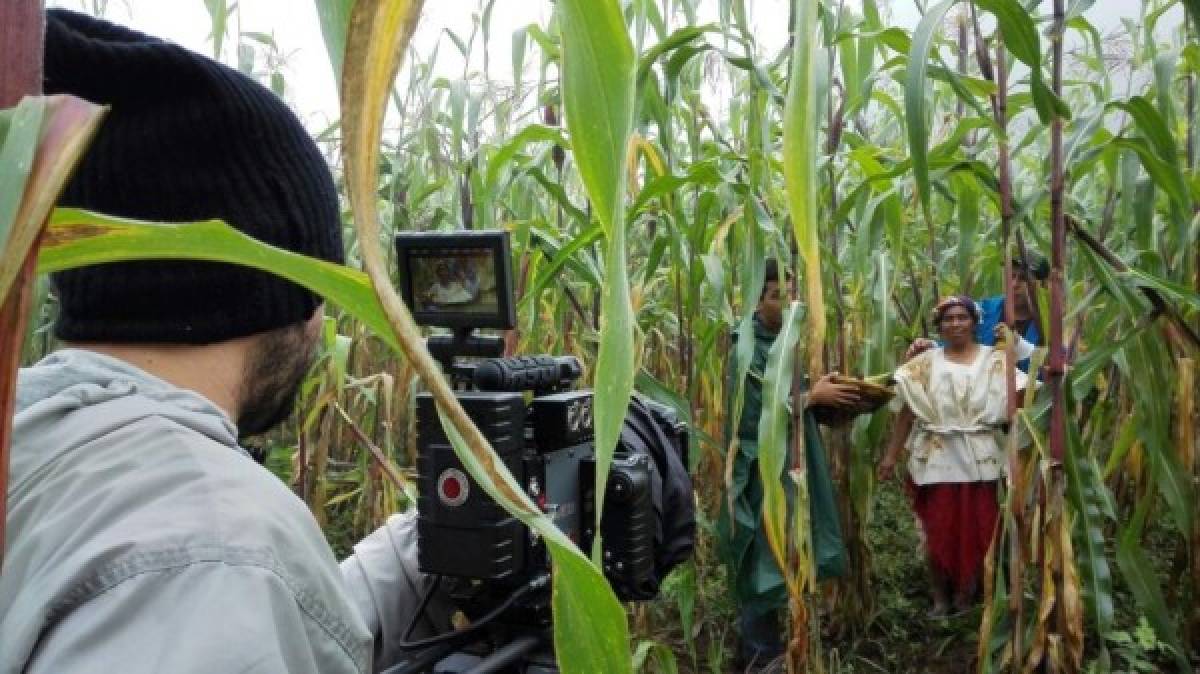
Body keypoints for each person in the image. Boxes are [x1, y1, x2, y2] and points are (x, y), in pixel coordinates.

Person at [1, 10, 449, 673]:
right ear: (281, 288)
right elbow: (207, 580)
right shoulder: (214, 542)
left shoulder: (37, 442)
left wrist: (423, 553)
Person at [716, 259, 863, 670]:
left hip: (798, 465)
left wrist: (834, 397)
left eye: (790, 295)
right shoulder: (745, 350)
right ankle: (761, 655)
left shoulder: (793, 342)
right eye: (777, 296)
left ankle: (793, 644)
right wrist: (810, 398)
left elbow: (797, 403)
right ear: (758, 299)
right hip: (763, 470)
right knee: (763, 558)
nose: (787, 305)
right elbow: (752, 421)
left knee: (797, 551)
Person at [877, 296, 1030, 617]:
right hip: (937, 457)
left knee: (978, 528)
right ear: (939, 326)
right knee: (936, 528)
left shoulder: (996, 360)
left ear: (975, 323)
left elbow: (1024, 399)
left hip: (982, 457)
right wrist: (890, 456)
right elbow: (907, 411)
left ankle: (965, 594)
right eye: (948, 319)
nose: (955, 323)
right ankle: (939, 597)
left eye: (962, 317)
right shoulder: (924, 363)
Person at [907, 254, 1048, 371]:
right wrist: (932, 347)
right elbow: (960, 340)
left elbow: (1050, 372)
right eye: (1011, 276)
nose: (1014, 284)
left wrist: (1018, 344)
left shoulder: (1048, 325)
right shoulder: (985, 310)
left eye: (1023, 279)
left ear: (1041, 285)